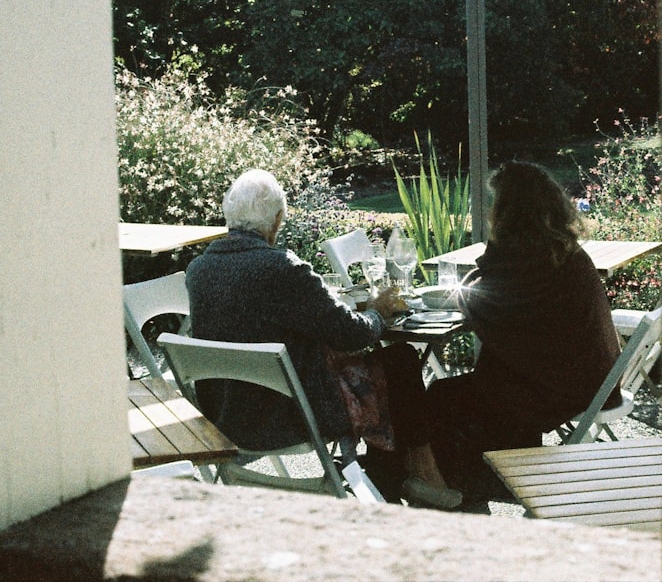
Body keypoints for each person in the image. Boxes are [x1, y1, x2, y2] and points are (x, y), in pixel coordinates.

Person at [186, 169, 462, 509]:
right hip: (289, 417)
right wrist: (377, 314)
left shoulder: (199, 270)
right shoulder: (282, 269)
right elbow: (351, 334)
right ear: (276, 220)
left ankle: (392, 476)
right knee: (401, 360)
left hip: (227, 418)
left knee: (386, 365)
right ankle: (423, 474)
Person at [424, 161, 623, 500]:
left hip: (563, 385)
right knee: (463, 391)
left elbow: (481, 303)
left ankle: (468, 488)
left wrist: (486, 263)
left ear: (507, 211)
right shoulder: (558, 249)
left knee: (442, 398)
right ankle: (464, 485)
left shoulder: (529, 258)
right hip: (589, 378)